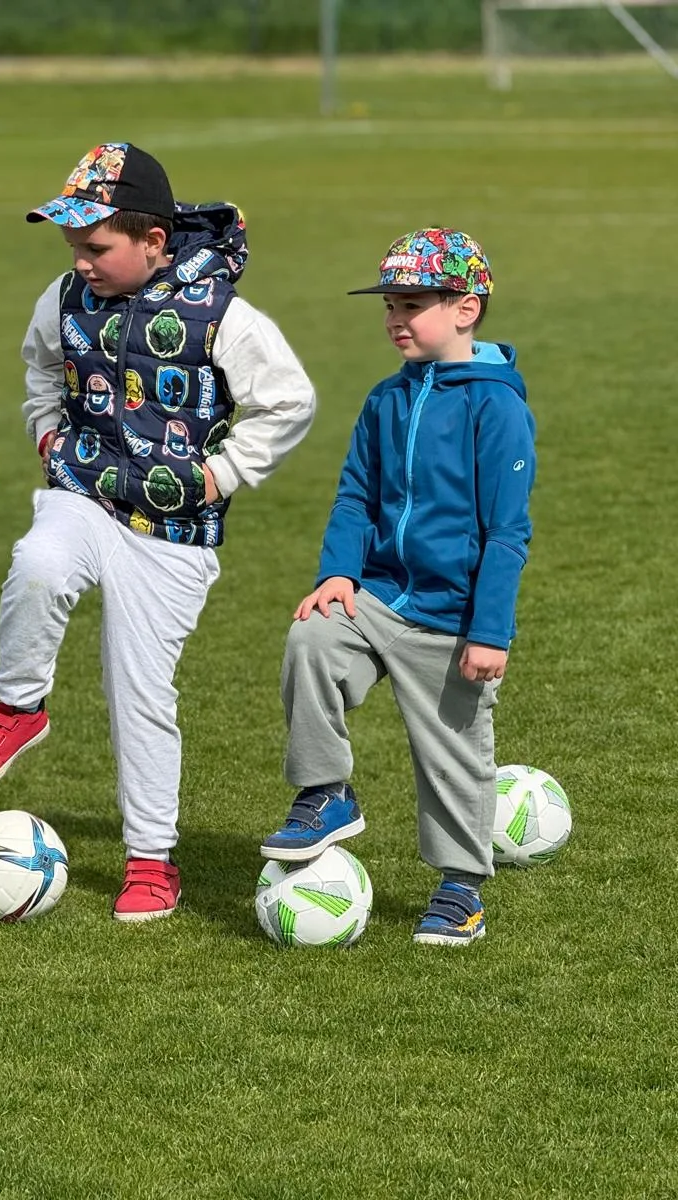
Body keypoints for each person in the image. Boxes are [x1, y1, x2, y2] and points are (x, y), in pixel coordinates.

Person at [0, 143, 317, 922]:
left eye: (95, 247)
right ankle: (18, 707)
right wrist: (47, 431)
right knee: (39, 561)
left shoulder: (221, 314)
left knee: (139, 691)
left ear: (153, 240)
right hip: (82, 493)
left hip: (173, 533)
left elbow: (290, 399)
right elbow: (40, 366)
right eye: (72, 247)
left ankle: (151, 861)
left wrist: (224, 473)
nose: (80, 263)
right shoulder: (63, 299)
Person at [260, 229, 532, 948]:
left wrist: (489, 632)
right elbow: (356, 495)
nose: (395, 319)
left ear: (466, 308)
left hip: (453, 616)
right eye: (389, 306)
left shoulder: (496, 407)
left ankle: (460, 891)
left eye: (412, 305)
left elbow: (507, 531)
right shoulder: (386, 400)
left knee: (454, 756)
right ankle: (326, 793)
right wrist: (338, 573)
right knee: (313, 639)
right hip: (378, 596)